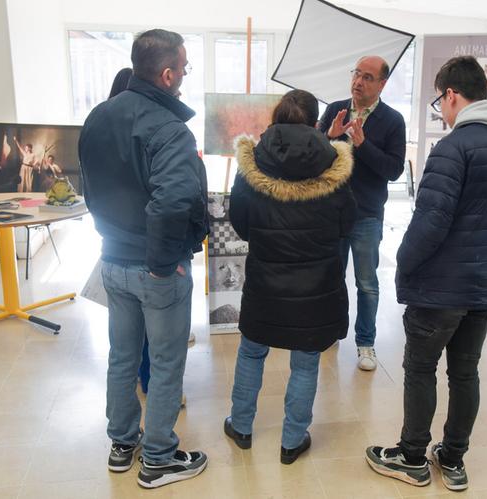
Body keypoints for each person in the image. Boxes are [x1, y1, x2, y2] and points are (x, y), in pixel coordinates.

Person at [365, 56, 487, 491]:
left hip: (440, 289)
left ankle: (413, 457)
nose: (441, 110)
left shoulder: (453, 148)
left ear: (453, 95)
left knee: (420, 368)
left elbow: (430, 223)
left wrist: (404, 262)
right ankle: (454, 460)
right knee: (465, 372)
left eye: (440, 101)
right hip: (484, 286)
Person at [79, 29, 209, 489]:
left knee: (123, 357)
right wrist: (160, 263)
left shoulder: (97, 116)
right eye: (185, 69)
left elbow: (88, 188)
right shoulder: (169, 128)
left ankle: (122, 445)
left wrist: (111, 240)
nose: (185, 77)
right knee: (167, 362)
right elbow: (172, 202)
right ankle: (156, 458)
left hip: (112, 260)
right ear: (168, 73)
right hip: (156, 268)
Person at [224, 89, 356, 465]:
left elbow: (241, 223)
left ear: (276, 118)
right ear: (316, 121)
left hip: (265, 278)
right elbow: (348, 222)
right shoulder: (336, 164)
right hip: (317, 285)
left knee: (251, 350)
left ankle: (242, 427)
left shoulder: (253, 163)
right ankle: (292, 440)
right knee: (307, 358)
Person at [318, 55, 406, 371]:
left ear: (382, 84)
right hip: (332, 211)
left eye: (367, 77)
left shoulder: (393, 120)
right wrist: (328, 136)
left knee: (366, 282)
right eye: (356, 73)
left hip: (367, 214)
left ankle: (365, 343)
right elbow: (313, 154)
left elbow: (394, 170)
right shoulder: (335, 109)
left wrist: (363, 145)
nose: (358, 81)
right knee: (332, 278)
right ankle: (331, 330)